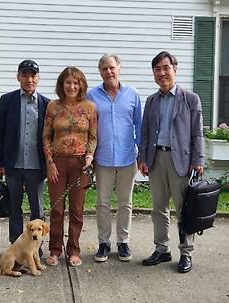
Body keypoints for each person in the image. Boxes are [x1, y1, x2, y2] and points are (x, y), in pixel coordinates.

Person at [137, 51, 204, 273]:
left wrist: (197, 160)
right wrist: (143, 158)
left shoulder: (190, 99)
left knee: (184, 210)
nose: (162, 73)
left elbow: (197, 134)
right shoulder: (151, 101)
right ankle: (162, 249)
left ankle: (186, 253)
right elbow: (145, 132)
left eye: (166, 68)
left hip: (181, 162)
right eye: (157, 69)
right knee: (158, 208)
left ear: (174, 69)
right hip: (156, 159)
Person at [87, 54, 142, 262]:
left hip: (128, 158)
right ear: (100, 72)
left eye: (112, 67)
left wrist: (142, 154)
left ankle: (123, 242)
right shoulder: (92, 96)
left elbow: (139, 125)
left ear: (119, 67)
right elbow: (89, 127)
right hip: (102, 159)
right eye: (104, 69)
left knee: (125, 203)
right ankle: (103, 243)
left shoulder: (132, 93)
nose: (109, 72)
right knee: (102, 203)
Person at [42, 66, 98, 267]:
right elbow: (46, 136)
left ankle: (74, 250)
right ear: (62, 85)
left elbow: (93, 136)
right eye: (68, 82)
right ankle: (55, 250)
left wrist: (90, 156)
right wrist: (49, 162)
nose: (72, 86)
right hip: (57, 162)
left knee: (77, 210)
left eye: (76, 82)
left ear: (81, 85)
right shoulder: (53, 106)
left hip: (80, 164)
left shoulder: (90, 107)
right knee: (57, 209)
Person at [0, 59, 49, 256]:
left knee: (38, 210)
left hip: (36, 166)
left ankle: (36, 249)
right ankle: (16, 248)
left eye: (33, 75)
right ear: (18, 77)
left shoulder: (46, 104)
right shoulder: (7, 100)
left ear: (38, 78)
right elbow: (0, 132)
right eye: (25, 75)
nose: (29, 79)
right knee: (15, 209)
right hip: (13, 165)